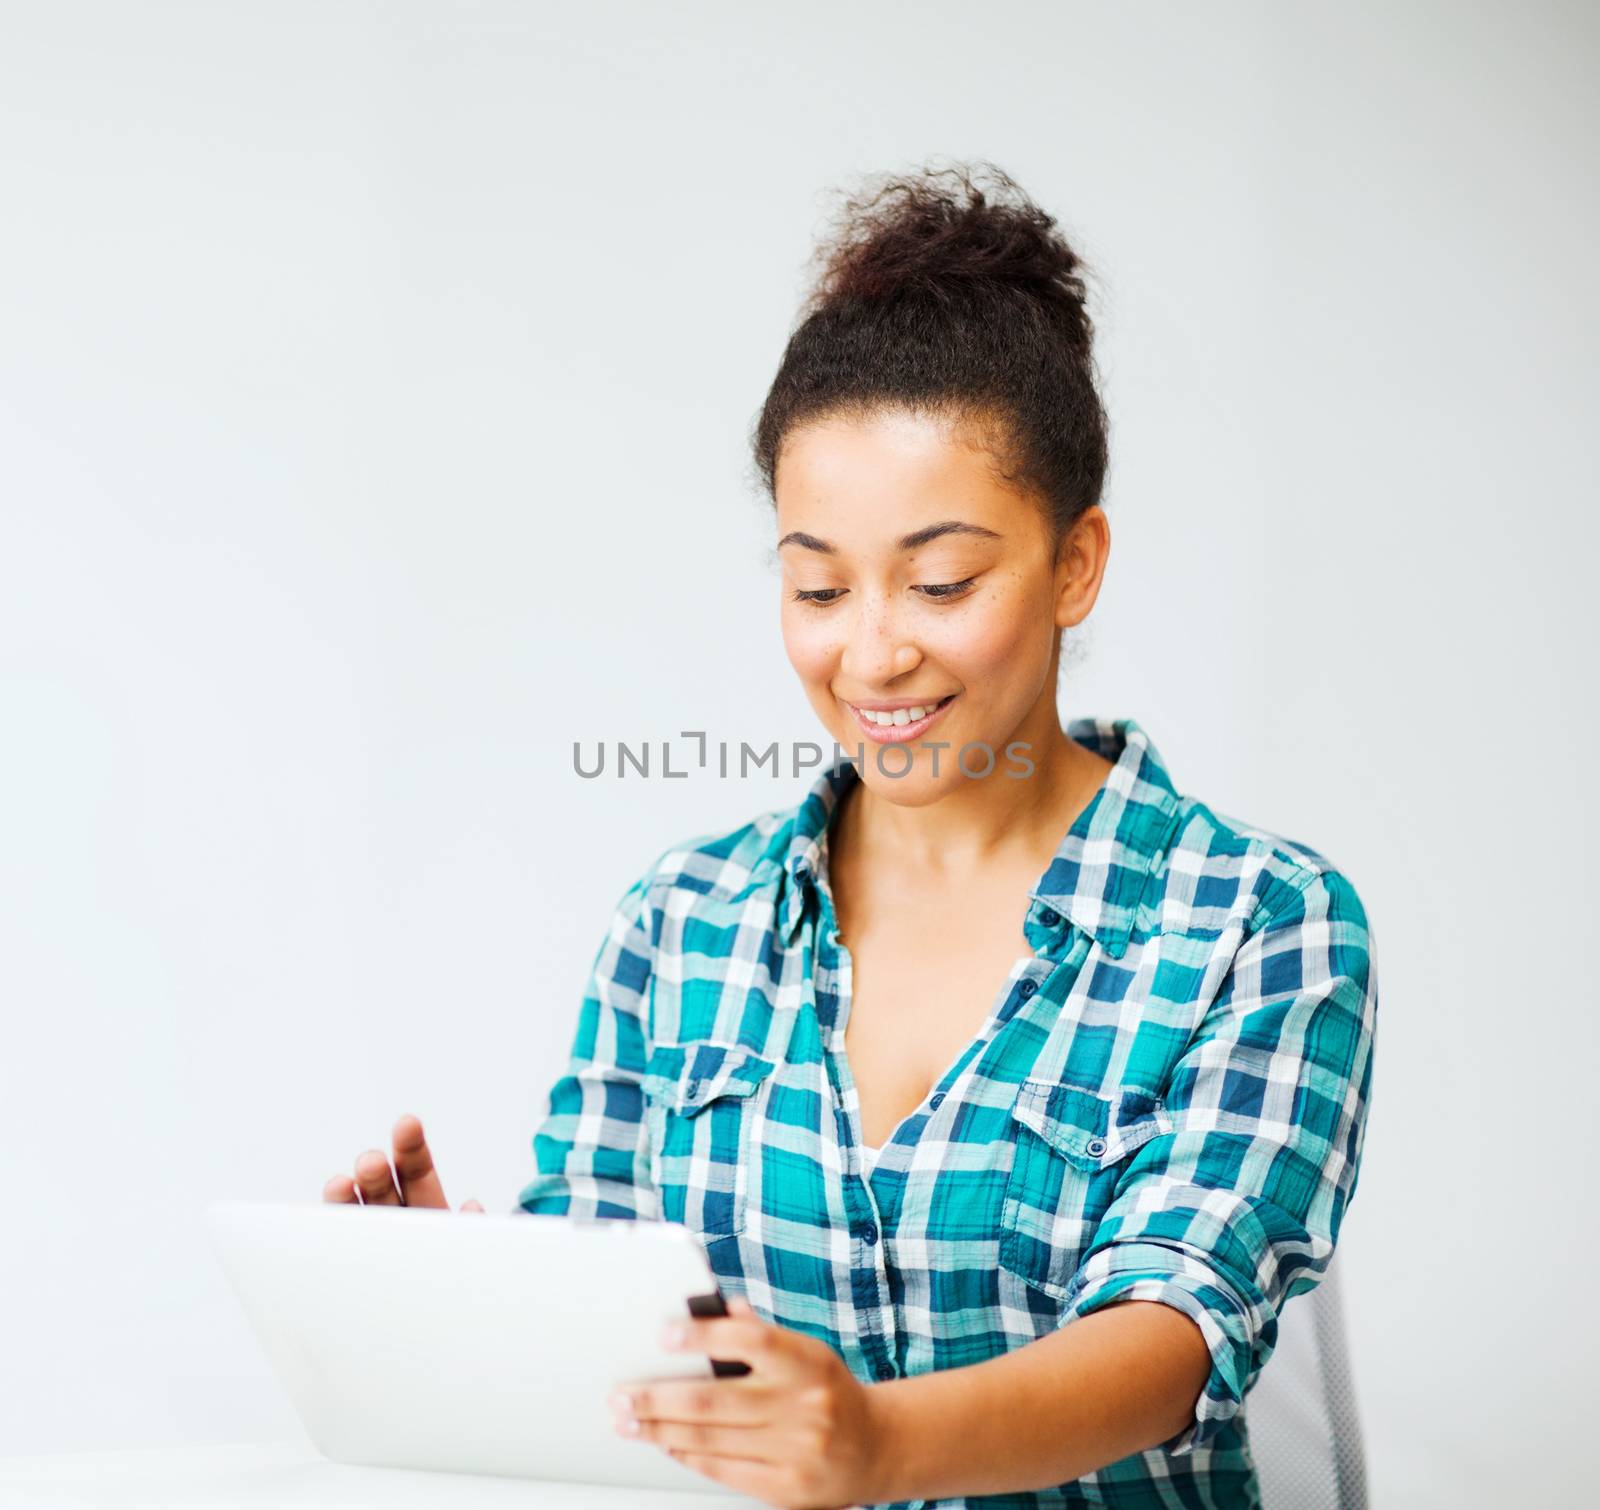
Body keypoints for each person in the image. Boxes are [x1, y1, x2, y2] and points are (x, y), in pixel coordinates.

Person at [323, 160, 1378, 1510]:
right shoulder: (683, 920)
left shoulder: (1261, 924)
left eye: (940, 580)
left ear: (1076, 562)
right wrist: (480, 1300)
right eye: (817, 583)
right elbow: (621, 1343)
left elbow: (1168, 1335)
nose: (870, 652)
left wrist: (876, 1442)